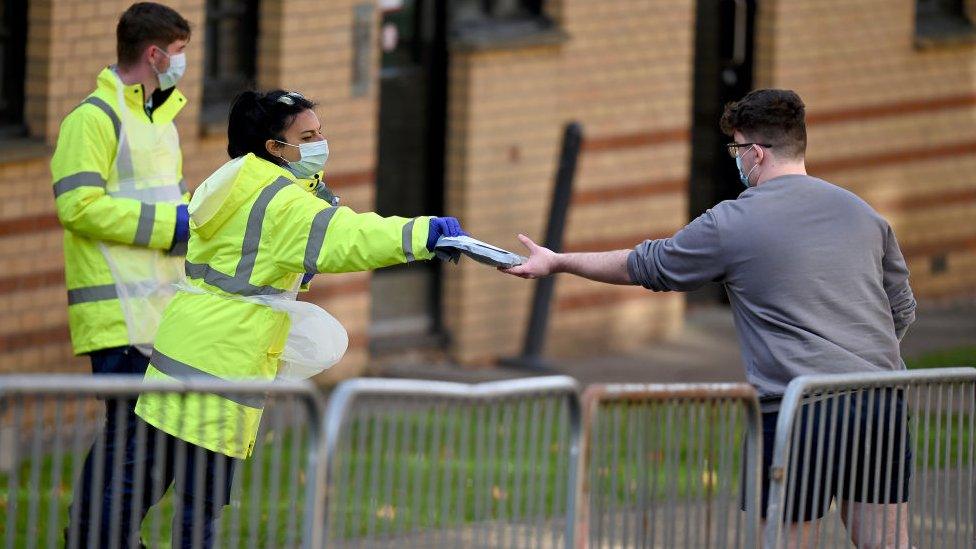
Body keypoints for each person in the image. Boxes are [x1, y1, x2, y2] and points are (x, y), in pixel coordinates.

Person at [501, 89, 917, 548]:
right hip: (881, 403)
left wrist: (559, 261)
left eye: (737, 150)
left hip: (795, 409)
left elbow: (645, 265)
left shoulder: (734, 222)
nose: (736, 160)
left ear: (756, 154)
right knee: (886, 542)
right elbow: (900, 309)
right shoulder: (864, 215)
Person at [112, 88, 465, 548]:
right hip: (225, 366)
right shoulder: (281, 202)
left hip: (178, 354)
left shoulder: (237, 179)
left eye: (321, 131)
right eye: (308, 135)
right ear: (275, 148)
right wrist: (423, 234)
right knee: (199, 512)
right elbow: (347, 238)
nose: (321, 142)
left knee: (132, 497)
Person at [50, 3, 192, 547]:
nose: (183, 63)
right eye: (178, 52)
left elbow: (171, 211)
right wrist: (171, 224)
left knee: (129, 443)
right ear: (153, 53)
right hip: (117, 312)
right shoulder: (93, 119)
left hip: (156, 313)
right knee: (139, 447)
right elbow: (78, 206)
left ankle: (90, 537)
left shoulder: (159, 122)